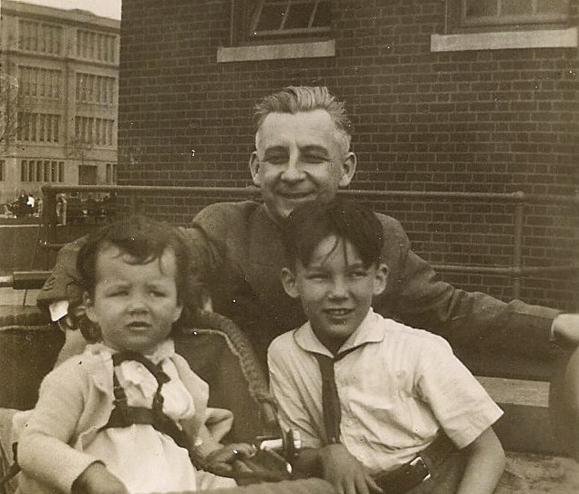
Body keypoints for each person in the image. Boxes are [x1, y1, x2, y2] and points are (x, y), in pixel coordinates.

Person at [38, 85, 579, 367]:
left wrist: (556, 323)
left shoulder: (378, 235)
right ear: (256, 169)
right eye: (277, 156)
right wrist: (71, 319)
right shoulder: (223, 228)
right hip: (249, 416)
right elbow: (101, 249)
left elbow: (452, 308)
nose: (292, 174)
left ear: (346, 169)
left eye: (313, 157)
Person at [267, 200, 563, 494]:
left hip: (462, 492)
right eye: (319, 277)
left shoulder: (417, 349)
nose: (339, 293)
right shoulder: (285, 354)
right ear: (291, 281)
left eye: (356, 275)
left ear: (380, 278)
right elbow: (299, 452)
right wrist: (329, 454)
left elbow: (487, 450)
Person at [16, 216, 255, 494]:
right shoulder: (80, 374)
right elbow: (34, 443)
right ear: (91, 307)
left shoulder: (177, 371)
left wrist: (211, 453)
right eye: (120, 293)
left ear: (177, 307)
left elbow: (191, 431)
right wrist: (89, 474)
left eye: (156, 293)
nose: (138, 306)